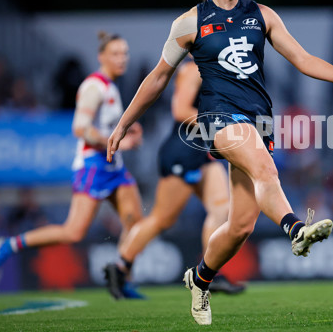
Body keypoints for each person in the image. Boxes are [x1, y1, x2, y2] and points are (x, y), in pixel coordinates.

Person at [107, 0, 333, 325]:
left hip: (259, 119)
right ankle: (296, 228)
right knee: (265, 168)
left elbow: (301, 58)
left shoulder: (261, 14)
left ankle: (200, 278)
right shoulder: (190, 23)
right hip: (218, 117)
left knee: (240, 225)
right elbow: (158, 77)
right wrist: (124, 122)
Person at [0, 32, 144, 299]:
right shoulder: (94, 86)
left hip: (113, 166)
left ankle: (121, 278)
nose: (122, 59)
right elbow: (80, 128)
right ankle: (10, 244)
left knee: (137, 223)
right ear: (101, 57)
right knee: (73, 232)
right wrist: (115, 141)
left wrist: (127, 130)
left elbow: (105, 126)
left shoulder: (111, 86)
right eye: (115, 54)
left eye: (125, 53)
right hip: (93, 165)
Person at [103, 60, 244, 298]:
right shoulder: (193, 70)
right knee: (161, 219)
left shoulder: (209, 68)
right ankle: (120, 267)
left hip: (200, 151)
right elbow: (180, 110)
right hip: (182, 151)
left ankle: (209, 274)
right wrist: (218, 126)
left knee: (221, 208)